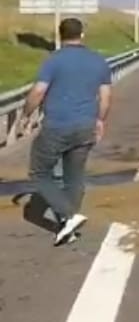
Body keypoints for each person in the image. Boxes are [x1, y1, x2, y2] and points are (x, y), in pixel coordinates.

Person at [20, 17, 111, 245]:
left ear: (60, 35)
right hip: (85, 127)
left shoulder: (54, 60)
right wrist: (100, 120)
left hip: (57, 126)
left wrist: (25, 115)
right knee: (75, 177)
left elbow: (39, 91)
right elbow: (106, 96)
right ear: (82, 35)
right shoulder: (98, 61)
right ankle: (68, 227)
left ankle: (70, 216)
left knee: (39, 173)